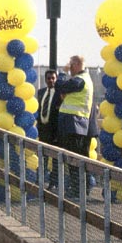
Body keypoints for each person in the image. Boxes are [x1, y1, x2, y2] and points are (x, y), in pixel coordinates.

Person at [55, 55, 94, 197]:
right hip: (76, 124)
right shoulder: (85, 79)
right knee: (78, 159)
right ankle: (82, 188)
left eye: (71, 66)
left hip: (74, 124)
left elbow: (60, 86)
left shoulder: (80, 80)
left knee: (74, 160)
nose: (69, 68)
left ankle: (78, 190)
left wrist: (63, 73)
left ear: (77, 64)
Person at [37, 70, 62, 189]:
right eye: (48, 78)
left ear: (56, 79)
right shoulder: (41, 92)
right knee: (43, 157)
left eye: (53, 78)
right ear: (45, 79)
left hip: (55, 132)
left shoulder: (60, 94)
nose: (51, 80)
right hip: (43, 131)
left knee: (55, 159)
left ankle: (53, 183)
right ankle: (40, 181)